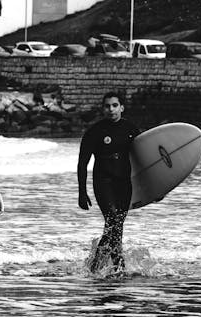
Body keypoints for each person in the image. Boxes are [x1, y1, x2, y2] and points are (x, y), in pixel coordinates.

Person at [77, 92, 140, 273]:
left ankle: (96, 266)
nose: (111, 109)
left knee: (116, 225)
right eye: (107, 106)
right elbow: (82, 163)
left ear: (121, 107)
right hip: (103, 182)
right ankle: (119, 265)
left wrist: (157, 187)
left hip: (124, 184)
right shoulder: (94, 131)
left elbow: (146, 159)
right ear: (102, 108)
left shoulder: (131, 129)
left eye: (114, 105)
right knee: (113, 219)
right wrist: (82, 192)